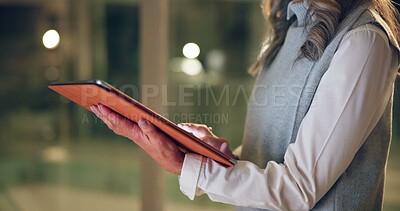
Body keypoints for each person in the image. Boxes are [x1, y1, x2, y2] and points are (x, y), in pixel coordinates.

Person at [91, 0, 400, 210]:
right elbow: (277, 154)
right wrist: (212, 155)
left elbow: (299, 188)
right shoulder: (291, 26)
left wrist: (192, 168)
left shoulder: (364, 41)